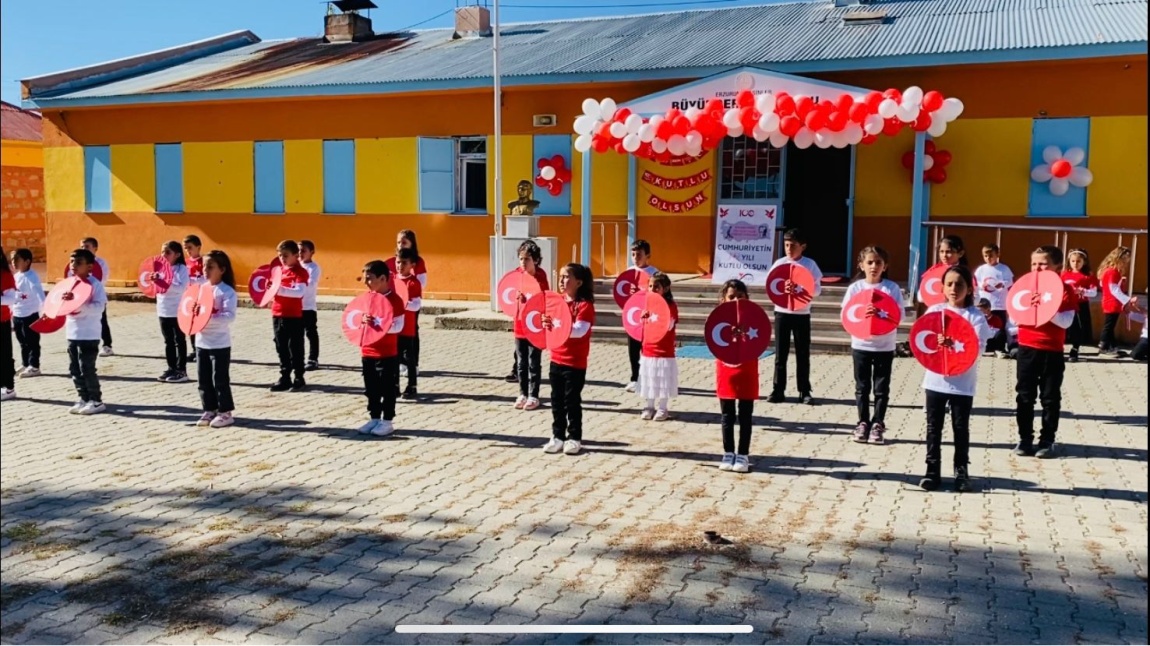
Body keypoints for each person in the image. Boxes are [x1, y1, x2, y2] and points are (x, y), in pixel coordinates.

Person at [920, 265, 993, 492]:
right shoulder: (934, 310)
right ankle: (932, 471)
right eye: (949, 284)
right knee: (934, 427)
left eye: (959, 284)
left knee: (960, 427)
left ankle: (961, 471)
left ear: (969, 289)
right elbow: (922, 341)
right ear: (942, 287)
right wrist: (936, 343)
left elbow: (978, 349)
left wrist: (955, 346)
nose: (954, 289)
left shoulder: (975, 316)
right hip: (935, 380)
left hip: (962, 383)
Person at [1013, 246, 1079, 459]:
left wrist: (1044, 308)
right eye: (1034, 264)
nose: (1037, 268)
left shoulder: (1065, 290)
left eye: (1043, 264)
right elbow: (1014, 316)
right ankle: (1024, 438)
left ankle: (1047, 440)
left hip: (1052, 351)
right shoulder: (1024, 286)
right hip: (1027, 349)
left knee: (1050, 398)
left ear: (1057, 267)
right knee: (1025, 396)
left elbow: (1066, 321)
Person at [842, 246, 905, 445]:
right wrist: (862, 314)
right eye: (869, 262)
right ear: (861, 265)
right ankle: (862, 422)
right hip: (861, 345)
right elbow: (846, 314)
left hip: (884, 346)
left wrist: (882, 312)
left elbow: (899, 315)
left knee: (881, 388)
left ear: (885, 266)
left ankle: (878, 423)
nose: (874, 266)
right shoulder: (855, 288)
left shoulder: (891, 288)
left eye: (878, 262)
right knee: (862, 387)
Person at [544, 263, 596, 456]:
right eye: (561, 276)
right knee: (556, 401)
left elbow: (579, 331)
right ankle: (557, 436)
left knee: (571, 401)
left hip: (575, 362)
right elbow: (548, 322)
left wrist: (557, 327)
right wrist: (545, 322)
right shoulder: (556, 301)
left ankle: (574, 437)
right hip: (556, 358)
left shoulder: (585, 306)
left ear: (579, 282)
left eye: (567, 277)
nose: (562, 280)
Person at [767, 228, 824, 405]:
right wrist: (782, 288)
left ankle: (804, 390)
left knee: (802, 353)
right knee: (780, 354)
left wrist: (800, 288)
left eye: (793, 245)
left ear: (803, 246)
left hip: (802, 314)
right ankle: (778, 390)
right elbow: (771, 286)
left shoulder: (810, 265)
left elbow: (817, 290)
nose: (789, 249)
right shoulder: (779, 264)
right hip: (782, 313)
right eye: (786, 245)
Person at [357, 260, 406, 437]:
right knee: (371, 388)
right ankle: (374, 417)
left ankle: (387, 421)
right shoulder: (367, 299)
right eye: (364, 278)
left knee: (387, 388)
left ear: (383, 278)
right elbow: (357, 319)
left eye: (369, 278)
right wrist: (362, 321)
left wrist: (377, 323)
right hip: (367, 351)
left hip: (387, 353)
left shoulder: (395, 300)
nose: (366, 282)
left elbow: (398, 326)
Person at [715, 279, 759, 473]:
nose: (736, 300)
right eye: (731, 297)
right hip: (726, 371)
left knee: (745, 414)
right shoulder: (719, 319)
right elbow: (714, 340)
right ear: (723, 299)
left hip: (747, 371)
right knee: (727, 414)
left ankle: (743, 453)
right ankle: (728, 452)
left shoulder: (754, 317)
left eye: (740, 297)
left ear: (747, 298)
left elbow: (760, 340)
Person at [61, 248, 109, 415]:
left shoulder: (95, 285)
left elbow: (99, 307)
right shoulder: (69, 283)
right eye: (72, 261)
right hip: (72, 333)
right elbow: (60, 304)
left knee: (86, 367)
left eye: (78, 262)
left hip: (89, 333)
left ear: (89, 266)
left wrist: (78, 305)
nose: (73, 265)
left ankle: (96, 400)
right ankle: (83, 397)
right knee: (74, 368)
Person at [195, 250, 239, 428]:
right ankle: (209, 409)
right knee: (203, 379)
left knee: (219, 379)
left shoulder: (226, 291)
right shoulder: (200, 289)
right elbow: (190, 310)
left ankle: (225, 412)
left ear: (222, 269)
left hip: (220, 342)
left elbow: (229, 316)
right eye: (204, 266)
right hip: (201, 342)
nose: (205, 270)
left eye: (210, 266)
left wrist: (207, 317)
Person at [511, 240, 549, 411]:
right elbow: (508, 298)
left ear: (535, 260)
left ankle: (534, 395)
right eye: (520, 258)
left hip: (534, 325)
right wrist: (516, 298)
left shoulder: (541, 276)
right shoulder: (516, 275)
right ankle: (522, 393)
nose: (523, 262)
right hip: (519, 324)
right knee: (521, 362)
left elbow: (545, 298)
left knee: (534, 361)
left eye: (526, 259)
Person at [269, 240, 311, 392]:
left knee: (295, 347)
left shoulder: (300, 272)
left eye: (286, 255)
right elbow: (270, 290)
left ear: (296, 255)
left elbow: (299, 292)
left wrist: (278, 290)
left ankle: (299, 376)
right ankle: (285, 376)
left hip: (293, 316)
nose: (282, 258)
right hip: (277, 313)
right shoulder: (278, 271)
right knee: (281, 346)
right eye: (280, 255)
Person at [637, 272, 679, 421]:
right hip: (648, 347)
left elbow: (668, 325)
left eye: (656, 286)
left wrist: (657, 318)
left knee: (663, 379)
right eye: (650, 286)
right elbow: (644, 324)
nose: (652, 289)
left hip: (663, 349)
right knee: (650, 377)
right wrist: (643, 317)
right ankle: (649, 406)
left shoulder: (671, 306)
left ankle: (663, 407)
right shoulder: (647, 303)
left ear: (665, 288)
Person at [386, 230, 427, 380]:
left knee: (411, 332)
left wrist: (407, 291)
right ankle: (401, 363)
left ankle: (413, 363)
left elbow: (422, 282)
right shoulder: (392, 261)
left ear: (411, 243)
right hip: (396, 305)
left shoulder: (418, 261)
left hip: (410, 303)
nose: (400, 245)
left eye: (404, 242)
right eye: (398, 242)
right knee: (397, 333)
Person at [624, 239, 658, 393]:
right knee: (633, 349)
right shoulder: (629, 272)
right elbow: (622, 293)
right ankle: (635, 378)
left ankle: (650, 378)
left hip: (649, 318)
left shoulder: (654, 273)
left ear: (647, 255)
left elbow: (660, 295)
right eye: (633, 254)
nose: (635, 257)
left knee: (648, 349)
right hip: (633, 318)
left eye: (639, 254)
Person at [155, 241, 190, 383]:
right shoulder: (160, 268)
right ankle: (171, 367)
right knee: (168, 341)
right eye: (162, 252)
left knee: (179, 340)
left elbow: (181, 287)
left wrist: (163, 283)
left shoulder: (181, 269)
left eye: (168, 252)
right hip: (163, 309)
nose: (164, 255)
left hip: (177, 309)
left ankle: (181, 370)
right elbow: (156, 290)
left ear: (177, 254)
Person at [76, 237, 114, 356]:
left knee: (102, 320)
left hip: (96, 296)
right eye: (82, 246)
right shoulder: (77, 263)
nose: (84, 249)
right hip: (81, 297)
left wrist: (91, 290)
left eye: (87, 246)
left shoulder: (101, 263)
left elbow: (102, 279)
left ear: (95, 248)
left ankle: (107, 345)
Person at [974, 243, 1013, 357]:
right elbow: (976, 282)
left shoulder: (1004, 269)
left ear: (998, 254)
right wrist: (983, 285)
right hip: (985, 304)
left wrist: (1002, 284)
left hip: (999, 304)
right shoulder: (981, 269)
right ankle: (985, 347)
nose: (988, 258)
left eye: (991, 255)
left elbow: (1010, 282)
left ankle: (1000, 348)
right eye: (985, 256)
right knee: (984, 326)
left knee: (999, 327)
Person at [10, 248, 44, 379]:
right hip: (18, 314)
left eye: (16, 259)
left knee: (32, 341)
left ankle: (34, 366)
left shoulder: (32, 276)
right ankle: (26, 363)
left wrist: (46, 309)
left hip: (30, 314)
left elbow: (38, 292)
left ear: (27, 261)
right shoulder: (17, 276)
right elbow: (13, 294)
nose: (13, 262)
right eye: (12, 259)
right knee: (22, 341)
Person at [394, 248, 423, 400]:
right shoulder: (392, 280)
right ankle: (395, 385)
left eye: (404, 263)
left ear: (412, 264)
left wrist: (403, 303)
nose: (400, 266)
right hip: (394, 326)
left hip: (408, 326)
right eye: (398, 262)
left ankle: (412, 385)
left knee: (409, 357)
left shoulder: (413, 283)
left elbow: (416, 305)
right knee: (395, 357)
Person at [1097, 246, 1136, 356]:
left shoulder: (1107, 271)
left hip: (1109, 301)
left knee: (1110, 325)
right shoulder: (1113, 272)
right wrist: (1127, 300)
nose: (1126, 263)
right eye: (1125, 260)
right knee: (1109, 326)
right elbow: (1114, 290)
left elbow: (1102, 284)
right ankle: (1103, 346)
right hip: (1112, 303)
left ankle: (1113, 346)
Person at [1061, 249, 1098, 362]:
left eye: (1078, 261)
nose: (1075, 264)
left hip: (1080, 305)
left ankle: (1075, 349)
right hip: (1065, 305)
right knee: (1064, 327)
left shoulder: (1087, 276)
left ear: (1084, 262)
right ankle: (1059, 349)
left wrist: (1083, 291)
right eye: (1073, 261)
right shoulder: (1064, 274)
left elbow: (1094, 292)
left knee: (1078, 328)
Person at [299, 239, 323, 371]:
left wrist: (297, 285)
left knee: (311, 333)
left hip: (308, 306)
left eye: (303, 251)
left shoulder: (314, 268)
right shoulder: (294, 266)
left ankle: (313, 359)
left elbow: (310, 284)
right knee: (297, 334)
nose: (300, 253)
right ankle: (298, 358)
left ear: (311, 252)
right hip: (295, 307)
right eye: (298, 250)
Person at [183, 235, 205, 362]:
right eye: (186, 248)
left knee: (200, 326)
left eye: (190, 248)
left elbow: (206, 279)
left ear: (198, 247)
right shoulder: (185, 263)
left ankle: (200, 350)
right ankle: (194, 349)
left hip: (201, 297)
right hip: (189, 298)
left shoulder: (204, 262)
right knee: (190, 325)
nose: (188, 251)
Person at [0, 249, 15, 401]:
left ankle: (9, 387)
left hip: (1, 320)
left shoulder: (5, 275)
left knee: (4, 355)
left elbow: (11, 298)